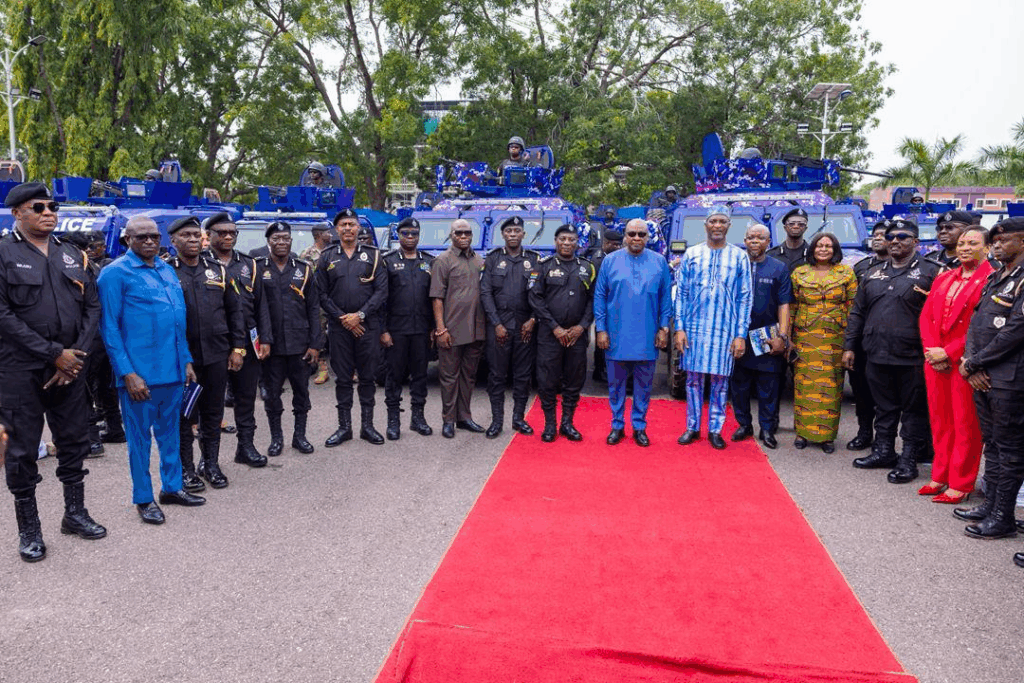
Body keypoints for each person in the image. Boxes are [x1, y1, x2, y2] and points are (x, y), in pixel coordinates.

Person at [0, 183, 106, 562]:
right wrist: (52, 354)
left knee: (75, 441)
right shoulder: (3, 252)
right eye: (38, 207)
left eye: (52, 205)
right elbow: (3, 316)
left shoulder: (70, 254)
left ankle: (74, 514)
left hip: (71, 368)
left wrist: (74, 357)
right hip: (20, 371)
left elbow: (92, 308)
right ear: (17, 214)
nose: (48, 212)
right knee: (23, 451)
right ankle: (30, 530)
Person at [98, 216, 205, 525]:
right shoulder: (114, 274)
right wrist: (127, 373)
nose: (149, 241)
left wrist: (185, 360)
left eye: (154, 237)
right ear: (126, 240)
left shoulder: (166, 270)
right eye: (141, 237)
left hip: (172, 371)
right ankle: (143, 498)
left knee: (171, 435)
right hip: (139, 376)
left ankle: (171, 488)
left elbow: (177, 321)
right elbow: (109, 329)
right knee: (140, 441)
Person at [843, 218, 941, 483]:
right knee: (883, 407)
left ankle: (908, 459)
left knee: (913, 409)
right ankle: (884, 451)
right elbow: (857, 312)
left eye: (903, 237)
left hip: (914, 355)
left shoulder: (932, 272)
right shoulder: (872, 272)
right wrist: (850, 346)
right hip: (876, 352)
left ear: (916, 243)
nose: (896, 241)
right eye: (892, 237)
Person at [956, 217, 1024, 551]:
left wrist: (977, 361)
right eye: (994, 240)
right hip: (983, 374)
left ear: (1022, 242)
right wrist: (970, 362)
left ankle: (1004, 517)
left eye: (1004, 240)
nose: (996, 245)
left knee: (1011, 449)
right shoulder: (997, 277)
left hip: (1011, 378)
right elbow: (977, 324)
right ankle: (992, 506)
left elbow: (1016, 331)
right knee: (993, 444)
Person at [168, 217, 246, 491]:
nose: (192, 240)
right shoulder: (165, 271)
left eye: (195, 235)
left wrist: (238, 348)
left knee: (213, 414)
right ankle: (186, 469)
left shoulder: (218, 271)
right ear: (173, 241)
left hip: (215, 355)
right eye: (185, 236)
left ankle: (210, 464)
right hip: (181, 359)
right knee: (183, 416)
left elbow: (236, 312)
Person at [918, 227, 994, 504]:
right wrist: (931, 351)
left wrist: (948, 353)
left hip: (965, 361)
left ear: (987, 248)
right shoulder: (945, 278)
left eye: (972, 243)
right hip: (935, 360)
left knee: (966, 423)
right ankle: (940, 475)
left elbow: (980, 326)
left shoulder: (991, 279)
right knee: (940, 421)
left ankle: (961, 482)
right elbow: (926, 316)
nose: (964, 248)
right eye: (961, 243)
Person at [674, 206, 752, 450]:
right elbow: (682, 294)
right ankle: (693, 427)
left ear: (729, 226)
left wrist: (740, 334)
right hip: (694, 329)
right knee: (693, 381)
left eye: (722, 222)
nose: (717, 226)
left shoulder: (739, 257)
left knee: (720, 382)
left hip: (724, 329)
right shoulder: (692, 254)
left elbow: (745, 297)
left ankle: (715, 430)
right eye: (713, 221)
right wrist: (680, 328)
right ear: (705, 225)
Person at [203, 212, 273, 468]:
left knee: (246, 397)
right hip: (213, 343)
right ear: (208, 235)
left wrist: (265, 337)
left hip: (246, 341)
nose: (228, 236)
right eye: (221, 232)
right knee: (211, 403)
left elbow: (261, 304)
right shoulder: (199, 263)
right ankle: (208, 459)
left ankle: (246, 447)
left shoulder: (249, 264)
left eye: (232, 232)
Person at [594, 219, 671, 447]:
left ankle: (639, 426)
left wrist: (664, 327)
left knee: (643, 386)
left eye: (641, 234)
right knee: (615, 385)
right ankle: (617, 425)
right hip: (616, 334)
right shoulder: (610, 261)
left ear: (648, 237)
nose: (636, 238)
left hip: (647, 335)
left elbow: (665, 298)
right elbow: (600, 297)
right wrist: (601, 329)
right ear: (625, 236)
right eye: (632, 234)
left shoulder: (659, 262)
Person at [317, 208, 388, 446]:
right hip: (339, 329)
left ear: (359, 228)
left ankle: (367, 427)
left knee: (368, 378)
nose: (348, 228)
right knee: (343, 379)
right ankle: (344, 428)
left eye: (352, 224)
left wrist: (359, 315)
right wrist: (343, 319)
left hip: (368, 327)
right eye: (343, 224)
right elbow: (322, 294)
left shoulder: (374, 255)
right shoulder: (326, 257)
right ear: (336, 230)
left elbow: (381, 292)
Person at [258, 221, 322, 455]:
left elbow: (314, 308)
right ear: (269, 242)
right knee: (272, 395)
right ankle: (277, 439)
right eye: (276, 239)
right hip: (271, 345)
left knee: (301, 393)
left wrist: (316, 344)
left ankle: (300, 436)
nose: (281, 242)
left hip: (300, 345)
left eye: (285, 238)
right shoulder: (258, 268)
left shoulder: (303, 269)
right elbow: (255, 309)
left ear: (291, 241)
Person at [790, 233, 857, 452]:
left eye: (829, 246)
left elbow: (853, 306)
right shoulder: (800, 272)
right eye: (819, 245)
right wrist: (788, 338)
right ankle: (802, 433)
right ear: (812, 249)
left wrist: (851, 341)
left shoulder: (845, 273)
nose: (824, 249)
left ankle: (827, 436)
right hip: (805, 335)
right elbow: (791, 307)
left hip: (835, 336)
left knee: (832, 384)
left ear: (835, 249)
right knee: (803, 384)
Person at [529, 225, 596, 442]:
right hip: (550, 335)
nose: (567, 243)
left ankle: (568, 422)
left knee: (574, 379)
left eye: (571, 240)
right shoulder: (543, 266)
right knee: (547, 380)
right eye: (563, 239)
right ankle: (550, 424)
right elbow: (535, 298)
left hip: (577, 336)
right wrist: (555, 327)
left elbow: (594, 300)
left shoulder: (587, 267)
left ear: (578, 243)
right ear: (556, 241)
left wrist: (582, 326)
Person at [730, 224, 793, 450]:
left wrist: (783, 337)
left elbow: (785, 305)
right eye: (750, 237)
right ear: (744, 241)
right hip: (739, 336)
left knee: (769, 386)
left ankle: (766, 428)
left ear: (769, 242)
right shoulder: (735, 266)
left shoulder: (779, 268)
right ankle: (744, 425)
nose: (755, 241)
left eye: (760, 238)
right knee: (739, 386)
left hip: (767, 336)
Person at [480, 216, 540, 438]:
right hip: (500, 326)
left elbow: (540, 295)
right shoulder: (494, 259)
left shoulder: (534, 260)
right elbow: (485, 293)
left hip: (525, 326)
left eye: (517, 230)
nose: (513, 234)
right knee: (496, 375)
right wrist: (496, 323)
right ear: (503, 235)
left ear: (523, 234)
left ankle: (518, 419)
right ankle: (497, 421)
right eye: (509, 231)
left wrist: (533, 319)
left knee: (523, 375)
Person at [430, 219, 487, 438]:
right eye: (458, 233)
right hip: (451, 330)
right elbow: (437, 298)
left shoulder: (478, 260)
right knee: (449, 377)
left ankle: (464, 417)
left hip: (475, 329)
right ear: (451, 235)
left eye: (467, 233)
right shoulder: (443, 261)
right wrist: (441, 330)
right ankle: (448, 420)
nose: (463, 236)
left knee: (469, 377)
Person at [381, 217, 435, 440]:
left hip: (422, 329)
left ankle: (418, 418)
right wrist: (383, 330)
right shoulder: (388, 262)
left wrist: (434, 327)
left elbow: (435, 298)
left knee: (420, 375)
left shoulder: (430, 262)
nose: (410, 237)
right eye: (405, 234)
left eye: (414, 234)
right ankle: (393, 421)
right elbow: (381, 299)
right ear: (398, 236)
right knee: (394, 376)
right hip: (396, 330)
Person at [847, 221, 890, 451]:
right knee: (861, 391)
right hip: (864, 340)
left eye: (884, 234)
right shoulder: (862, 267)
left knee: (887, 397)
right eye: (875, 234)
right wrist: (850, 344)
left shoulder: (905, 267)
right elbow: (854, 309)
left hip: (893, 342)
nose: (878, 238)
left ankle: (885, 442)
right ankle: (864, 432)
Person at [299, 224, 333, 385]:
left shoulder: (334, 251)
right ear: (319, 235)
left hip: (336, 299)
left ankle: (351, 369)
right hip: (318, 300)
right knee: (319, 334)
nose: (331, 234)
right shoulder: (307, 254)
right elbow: (304, 280)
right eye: (327, 232)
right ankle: (322, 368)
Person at [591, 228, 623, 382]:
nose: (618, 248)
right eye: (615, 245)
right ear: (606, 243)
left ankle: (603, 369)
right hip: (603, 304)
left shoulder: (613, 258)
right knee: (601, 336)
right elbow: (598, 287)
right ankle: (599, 370)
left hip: (612, 305)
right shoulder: (599, 259)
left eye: (619, 245)